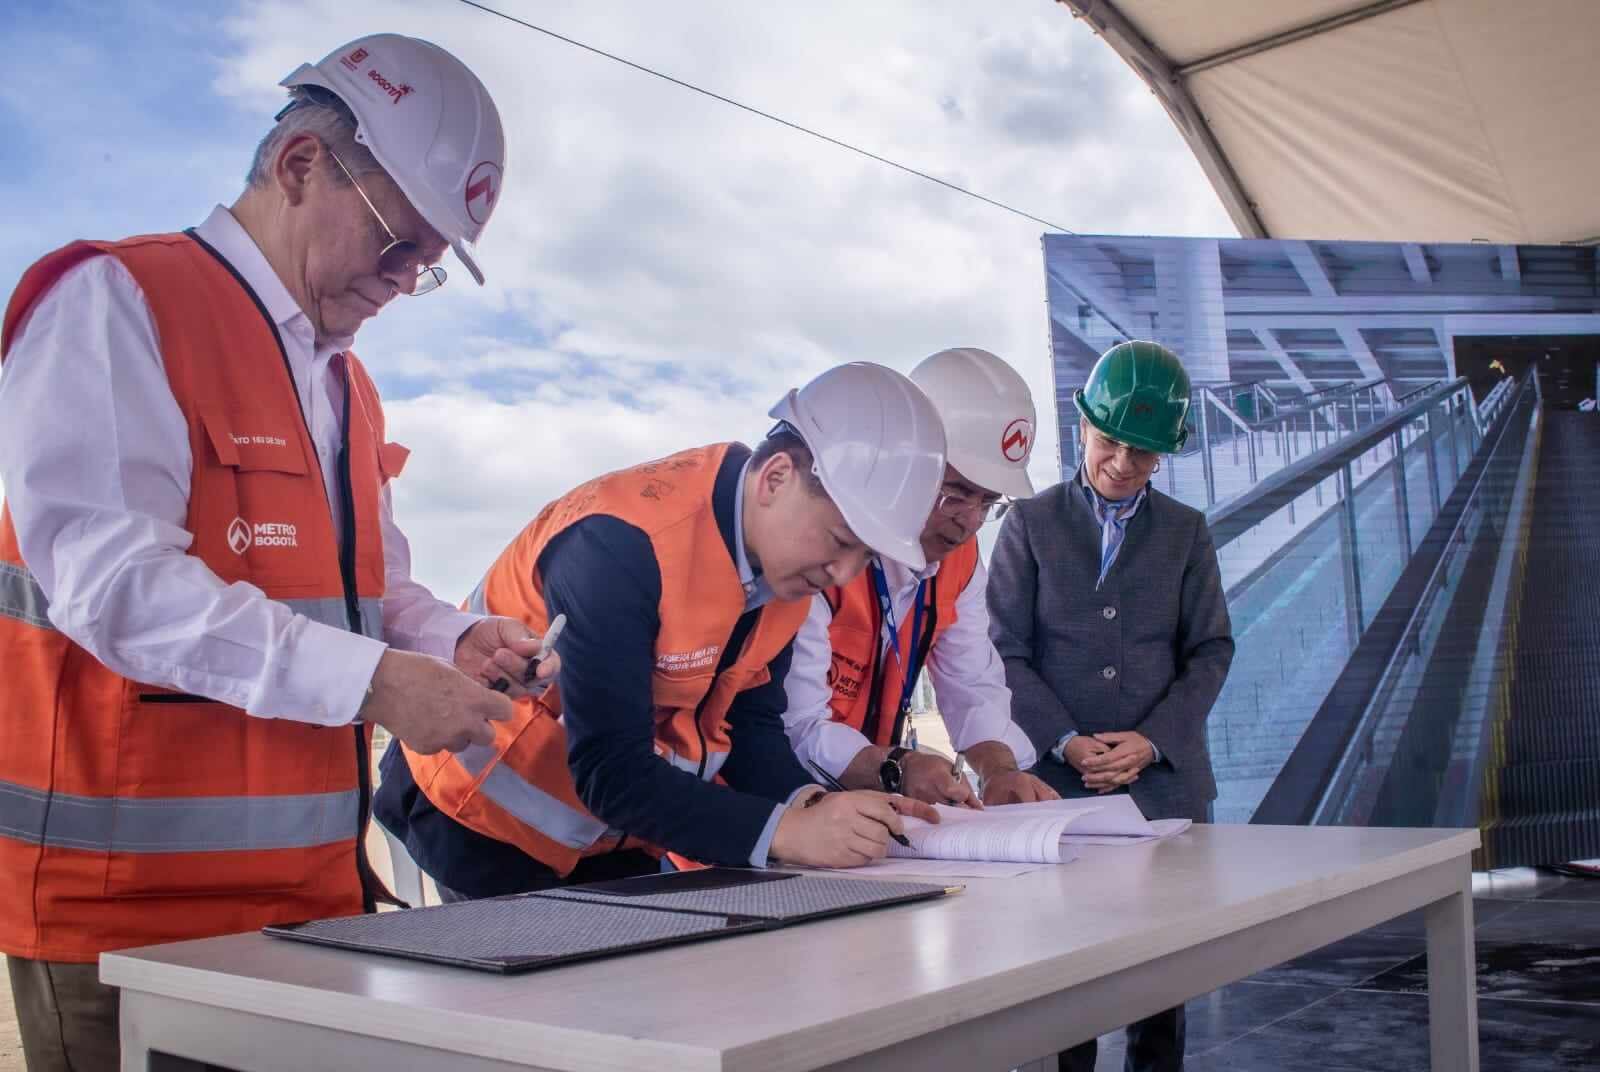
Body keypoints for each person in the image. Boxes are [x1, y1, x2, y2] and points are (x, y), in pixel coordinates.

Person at [0, 34, 548, 1072]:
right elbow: (116, 587)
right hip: (124, 922)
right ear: (301, 165)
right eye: (396, 241)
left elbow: (368, 588)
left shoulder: (346, 384)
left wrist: (452, 637)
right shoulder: (119, 300)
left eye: (426, 265)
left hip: (308, 905)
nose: (402, 281)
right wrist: (376, 682)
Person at [375, 362, 949, 899]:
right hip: (477, 821)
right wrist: (786, 832)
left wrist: (814, 805)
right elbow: (610, 770)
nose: (843, 574)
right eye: (840, 542)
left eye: (864, 557)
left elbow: (750, 725)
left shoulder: (784, 577)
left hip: (615, 836)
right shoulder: (619, 544)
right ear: (776, 478)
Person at [986, 340, 1235, 1072]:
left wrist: (1151, 742)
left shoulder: (1187, 531)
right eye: (1109, 442)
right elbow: (1003, 651)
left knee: (1163, 984)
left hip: (1163, 787)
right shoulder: (1029, 522)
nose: (1122, 463)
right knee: (1064, 979)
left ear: (1165, 452)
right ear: (1082, 429)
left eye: (1143, 452)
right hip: (1054, 787)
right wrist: (1064, 739)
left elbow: (1211, 650)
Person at [782, 348, 1058, 806]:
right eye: (956, 494)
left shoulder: (960, 560)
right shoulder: (823, 548)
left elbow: (971, 679)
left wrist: (999, 770)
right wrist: (899, 767)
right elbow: (796, 724)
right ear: (904, 463)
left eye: (989, 502)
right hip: (777, 804)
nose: (969, 522)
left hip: (868, 801)